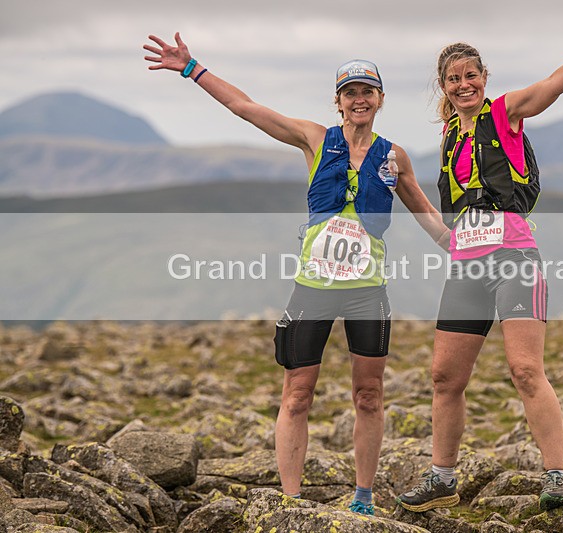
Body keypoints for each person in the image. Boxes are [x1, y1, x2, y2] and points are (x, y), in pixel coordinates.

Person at [144, 33, 450, 516]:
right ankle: (290, 501)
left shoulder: (395, 157)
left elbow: (425, 212)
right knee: (297, 393)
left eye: (367, 91)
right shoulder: (314, 138)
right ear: (339, 100)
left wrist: (464, 248)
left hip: (367, 291)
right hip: (313, 287)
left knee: (369, 395)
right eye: (350, 92)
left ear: (381, 99)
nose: (359, 99)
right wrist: (192, 68)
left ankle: (363, 497)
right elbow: (246, 108)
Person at [396, 18, 563, 513]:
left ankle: (558, 475)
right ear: (444, 88)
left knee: (525, 369)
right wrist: (444, 239)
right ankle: (442, 478)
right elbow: (443, 207)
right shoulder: (449, 134)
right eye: (454, 79)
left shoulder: (506, 112)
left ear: (484, 78)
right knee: (445, 377)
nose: (464, 84)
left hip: (515, 257)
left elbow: (552, 85)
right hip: (467, 265)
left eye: (471, 75)